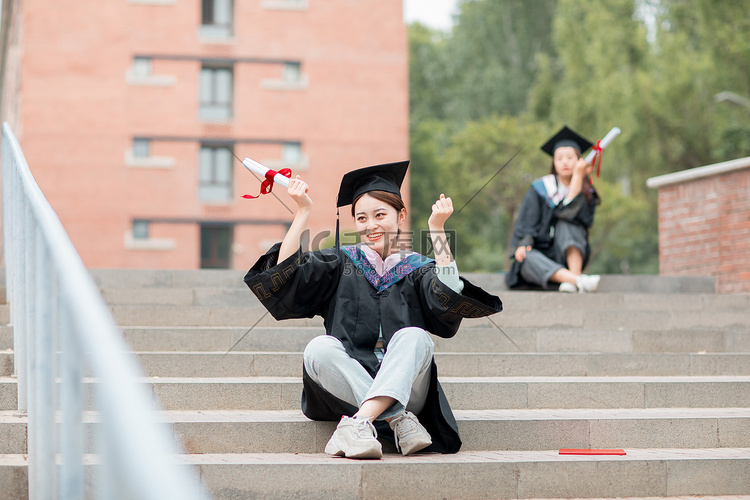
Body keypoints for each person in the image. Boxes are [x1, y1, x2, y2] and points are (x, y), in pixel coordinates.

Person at [244, 161, 502, 459]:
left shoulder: (416, 267)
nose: (371, 225)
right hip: (346, 385)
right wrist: (302, 211)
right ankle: (397, 419)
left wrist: (437, 229)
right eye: (362, 217)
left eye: (380, 215)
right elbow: (284, 275)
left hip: (409, 388)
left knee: (416, 337)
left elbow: (447, 292)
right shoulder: (340, 262)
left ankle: (359, 424)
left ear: (401, 215)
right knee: (318, 348)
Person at [505, 126, 602, 293]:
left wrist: (578, 177)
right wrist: (524, 243)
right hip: (541, 258)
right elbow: (527, 223)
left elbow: (572, 215)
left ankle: (572, 278)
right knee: (526, 258)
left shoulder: (587, 193)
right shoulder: (540, 188)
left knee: (570, 223)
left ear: (579, 161)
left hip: (565, 255)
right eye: (559, 158)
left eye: (570, 158)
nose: (565, 162)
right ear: (554, 162)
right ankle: (577, 281)